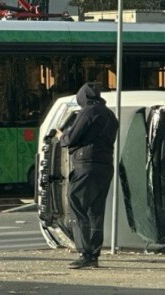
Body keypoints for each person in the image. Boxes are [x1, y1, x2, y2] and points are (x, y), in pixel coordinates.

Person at [57, 82, 118, 269]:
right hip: (105, 166)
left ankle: (85, 253)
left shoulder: (87, 112)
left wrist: (62, 136)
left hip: (86, 165)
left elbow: (72, 138)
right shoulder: (110, 115)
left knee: (77, 205)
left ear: (83, 97)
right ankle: (94, 255)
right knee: (96, 211)